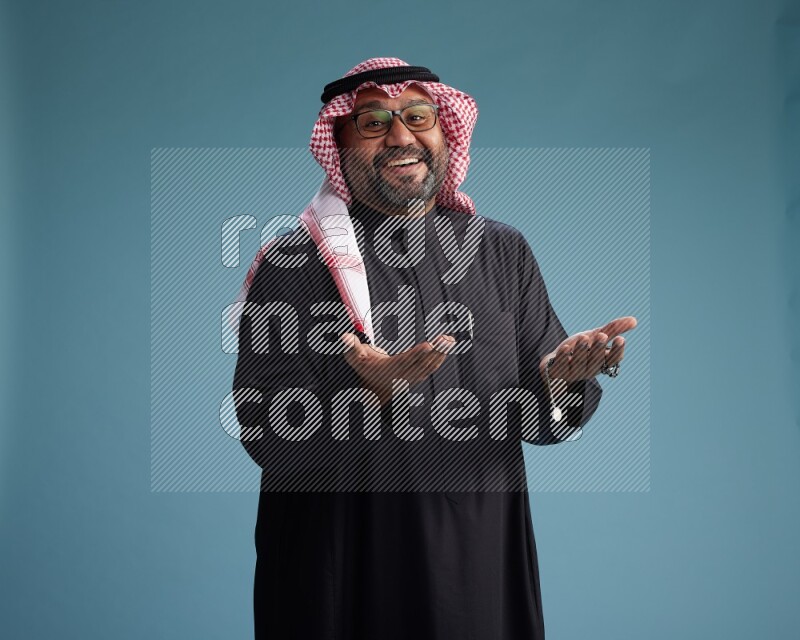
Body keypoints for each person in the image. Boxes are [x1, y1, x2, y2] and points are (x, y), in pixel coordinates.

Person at [231, 57, 636, 640]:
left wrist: (563, 380)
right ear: (339, 144)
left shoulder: (501, 251)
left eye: (417, 117)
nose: (401, 137)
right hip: (339, 562)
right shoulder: (292, 264)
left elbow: (543, 415)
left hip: (476, 560)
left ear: (446, 129)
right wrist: (363, 392)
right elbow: (263, 432)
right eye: (374, 124)